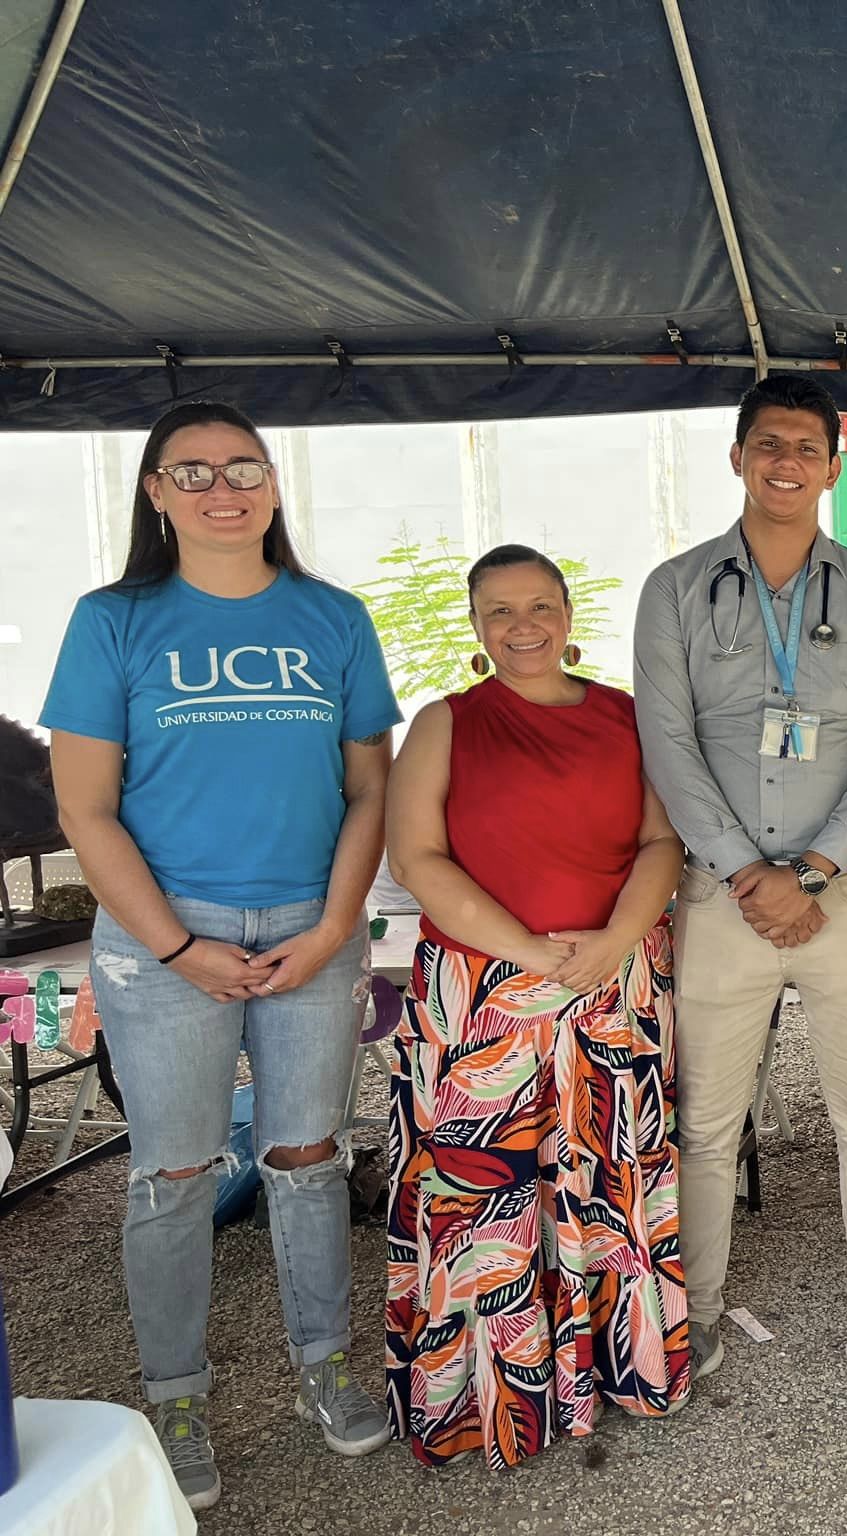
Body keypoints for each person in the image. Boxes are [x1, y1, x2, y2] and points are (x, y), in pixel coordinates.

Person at [40, 400, 400, 1509]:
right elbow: (86, 811)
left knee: (307, 1159)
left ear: (275, 486)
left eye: (242, 467)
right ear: (154, 493)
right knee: (173, 1174)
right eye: (190, 472)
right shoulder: (114, 621)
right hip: (165, 938)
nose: (220, 487)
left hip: (312, 924)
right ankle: (177, 1395)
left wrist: (337, 926)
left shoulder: (333, 617)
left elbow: (370, 786)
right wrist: (177, 944)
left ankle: (323, 1367)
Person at [633, 374, 847, 1408]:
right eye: (767, 443)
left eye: (806, 446)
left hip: (839, 892)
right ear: (737, 457)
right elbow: (665, 744)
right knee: (706, 1123)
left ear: (833, 466)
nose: (785, 462)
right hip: (721, 894)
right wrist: (745, 872)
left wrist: (808, 869)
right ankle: (695, 1316)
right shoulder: (674, 588)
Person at [382, 544, 688, 1467]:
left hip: (614, 981)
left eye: (540, 607)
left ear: (567, 615)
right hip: (480, 993)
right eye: (500, 612)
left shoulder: (627, 719)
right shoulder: (444, 723)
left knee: (611, 1180)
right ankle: (485, 1401)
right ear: (476, 625)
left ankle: (615, 1376)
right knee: (482, 1197)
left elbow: (660, 841)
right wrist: (528, 955)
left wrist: (604, 948)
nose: (523, 627)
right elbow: (417, 859)